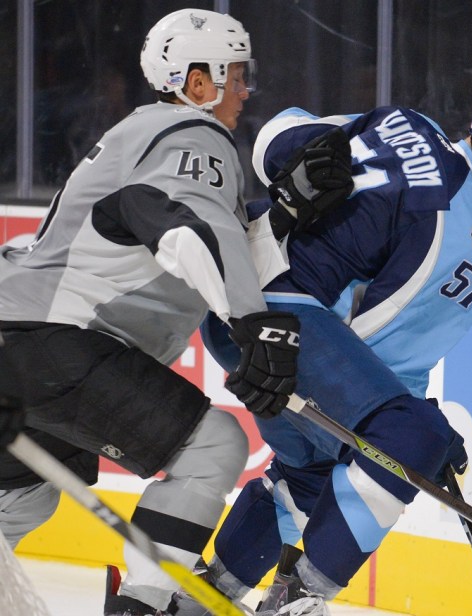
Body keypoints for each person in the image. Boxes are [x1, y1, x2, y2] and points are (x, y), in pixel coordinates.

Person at [171, 83, 472, 616]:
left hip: (229, 296)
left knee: (312, 471)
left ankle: (199, 600)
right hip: (283, 324)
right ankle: (299, 600)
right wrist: (416, 429)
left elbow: (278, 134)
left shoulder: (404, 122)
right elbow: (388, 349)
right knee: (408, 438)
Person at [0, 9, 318, 616]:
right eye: (236, 76)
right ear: (198, 84)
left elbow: (206, 230)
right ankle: (142, 608)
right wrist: (254, 323)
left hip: (19, 339)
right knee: (212, 448)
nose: (245, 91)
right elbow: (189, 231)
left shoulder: (143, 134)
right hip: (59, 340)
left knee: (18, 502)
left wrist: (285, 214)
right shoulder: (192, 134)